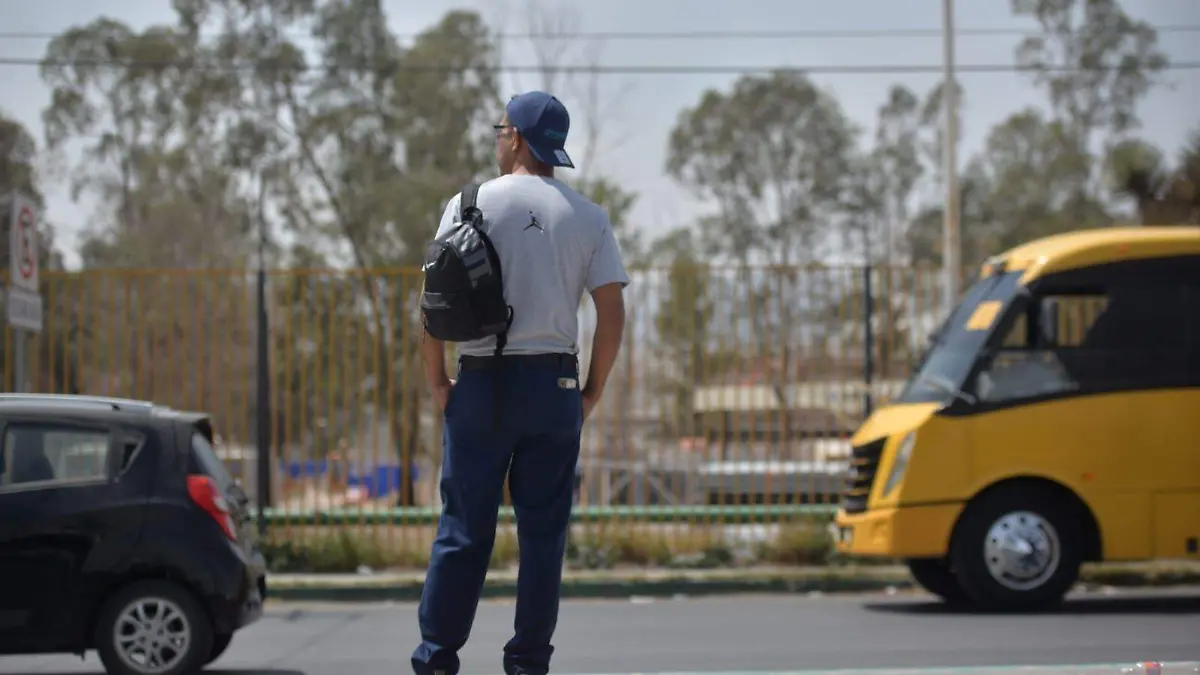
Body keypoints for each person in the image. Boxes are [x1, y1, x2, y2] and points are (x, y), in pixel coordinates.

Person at [411, 90, 629, 675]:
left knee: (463, 532)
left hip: (481, 385)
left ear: (515, 138)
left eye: (500, 130)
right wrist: (590, 392)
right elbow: (612, 312)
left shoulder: (469, 203)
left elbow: (433, 301)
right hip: (554, 389)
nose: (497, 139)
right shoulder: (587, 216)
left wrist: (439, 383)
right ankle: (528, 664)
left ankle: (436, 660)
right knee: (543, 538)